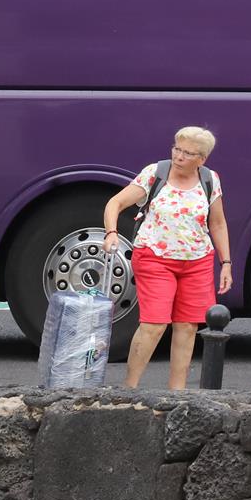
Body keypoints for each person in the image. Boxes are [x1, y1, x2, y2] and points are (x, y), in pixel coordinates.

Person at [102, 127, 232, 390]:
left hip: (197, 259)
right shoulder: (155, 173)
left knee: (187, 327)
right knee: (155, 324)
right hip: (154, 256)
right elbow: (115, 203)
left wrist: (226, 263)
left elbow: (217, 223)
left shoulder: (210, 179)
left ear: (202, 159)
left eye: (187, 153)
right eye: (177, 148)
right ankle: (130, 388)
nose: (179, 156)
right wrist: (111, 233)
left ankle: (177, 394)